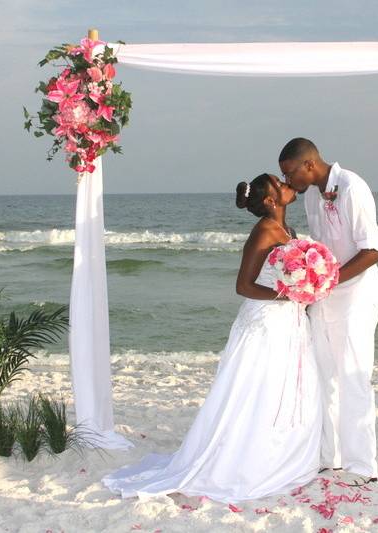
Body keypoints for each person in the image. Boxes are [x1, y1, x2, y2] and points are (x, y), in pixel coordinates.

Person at [102, 174, 321, 503]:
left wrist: (305, 289)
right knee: (256, 389)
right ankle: (246, 461)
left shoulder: (288, 231)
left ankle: (280, 455)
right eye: (280, 183)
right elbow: (244, 286)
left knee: (282, 388)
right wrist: (287, 295)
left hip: (289, 321)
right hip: (266, 320)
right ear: (271, 201)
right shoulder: (263, 231)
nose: (287, 183)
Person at [279, 138, 378, 483]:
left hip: (355, 295)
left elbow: (372, 250)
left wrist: (329, 279)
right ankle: (329, 457)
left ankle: (362, 466)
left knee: (354, 377)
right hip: (323, 297)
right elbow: (320, 247)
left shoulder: (352, 188)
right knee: (324, 377)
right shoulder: (311, 195)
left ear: (309, 165)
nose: (288, 181)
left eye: (290, 172)